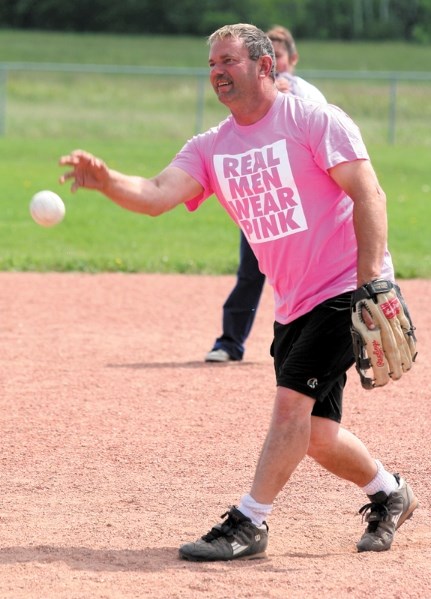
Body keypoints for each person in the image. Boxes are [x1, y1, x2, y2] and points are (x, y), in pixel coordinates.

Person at [59, 23, 418, 561]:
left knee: (290, 408)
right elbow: (157, 194)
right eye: (211, 65)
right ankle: (390, 494)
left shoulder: (312, 119)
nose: (217, 73)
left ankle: (249, 523)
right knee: (317, 433)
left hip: (346, 287)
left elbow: (369, 192)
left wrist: (373, 280)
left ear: (265, 66)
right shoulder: (212, 147)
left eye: (228, 61)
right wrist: (109, 181)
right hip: (294, 300)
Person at [205, 25, 326, 363]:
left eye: (280, 55)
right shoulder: (251, 94)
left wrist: (288, 95)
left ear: (290, 59)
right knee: (249, 274)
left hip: (302, 208)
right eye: (267, 54)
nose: (274, 61)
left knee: (312, 280)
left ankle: (314, 348)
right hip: (262, 203)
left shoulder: (308, 96)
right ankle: (230, 343)